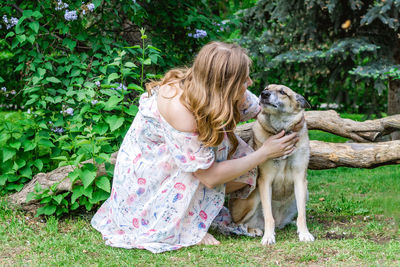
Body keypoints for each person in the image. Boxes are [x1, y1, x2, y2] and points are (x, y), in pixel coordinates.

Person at [91, 41, 299, 253]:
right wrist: (265, 152)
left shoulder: (218, 91)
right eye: (244, 80)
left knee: (246, 166)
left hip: (189, 160)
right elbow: (208, 176)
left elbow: (256, 109)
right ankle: (186, 228)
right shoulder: (179, 107)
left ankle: (198, 212)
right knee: (242, 163)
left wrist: (292, 119)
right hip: (153, 173)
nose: (250, 82)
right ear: (224, 84)